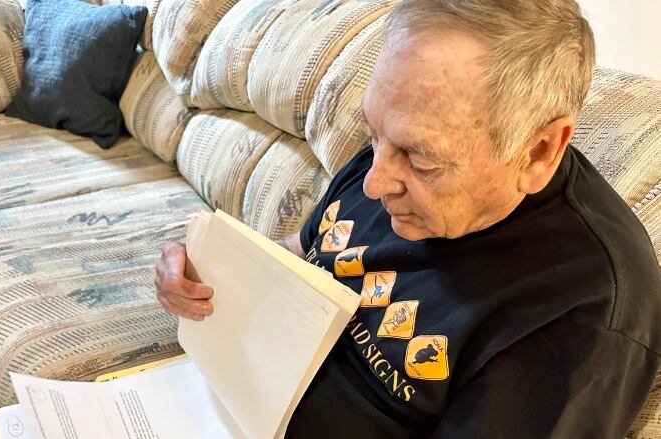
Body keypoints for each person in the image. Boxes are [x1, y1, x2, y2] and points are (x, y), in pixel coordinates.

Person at [155, 1, 661, 437]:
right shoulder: (399, 140)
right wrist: (213, 266)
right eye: (374, 134)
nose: (374, 185)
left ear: (538, 151)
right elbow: (305, 252)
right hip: (215, 399)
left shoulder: (584, 308)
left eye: (422, 161)